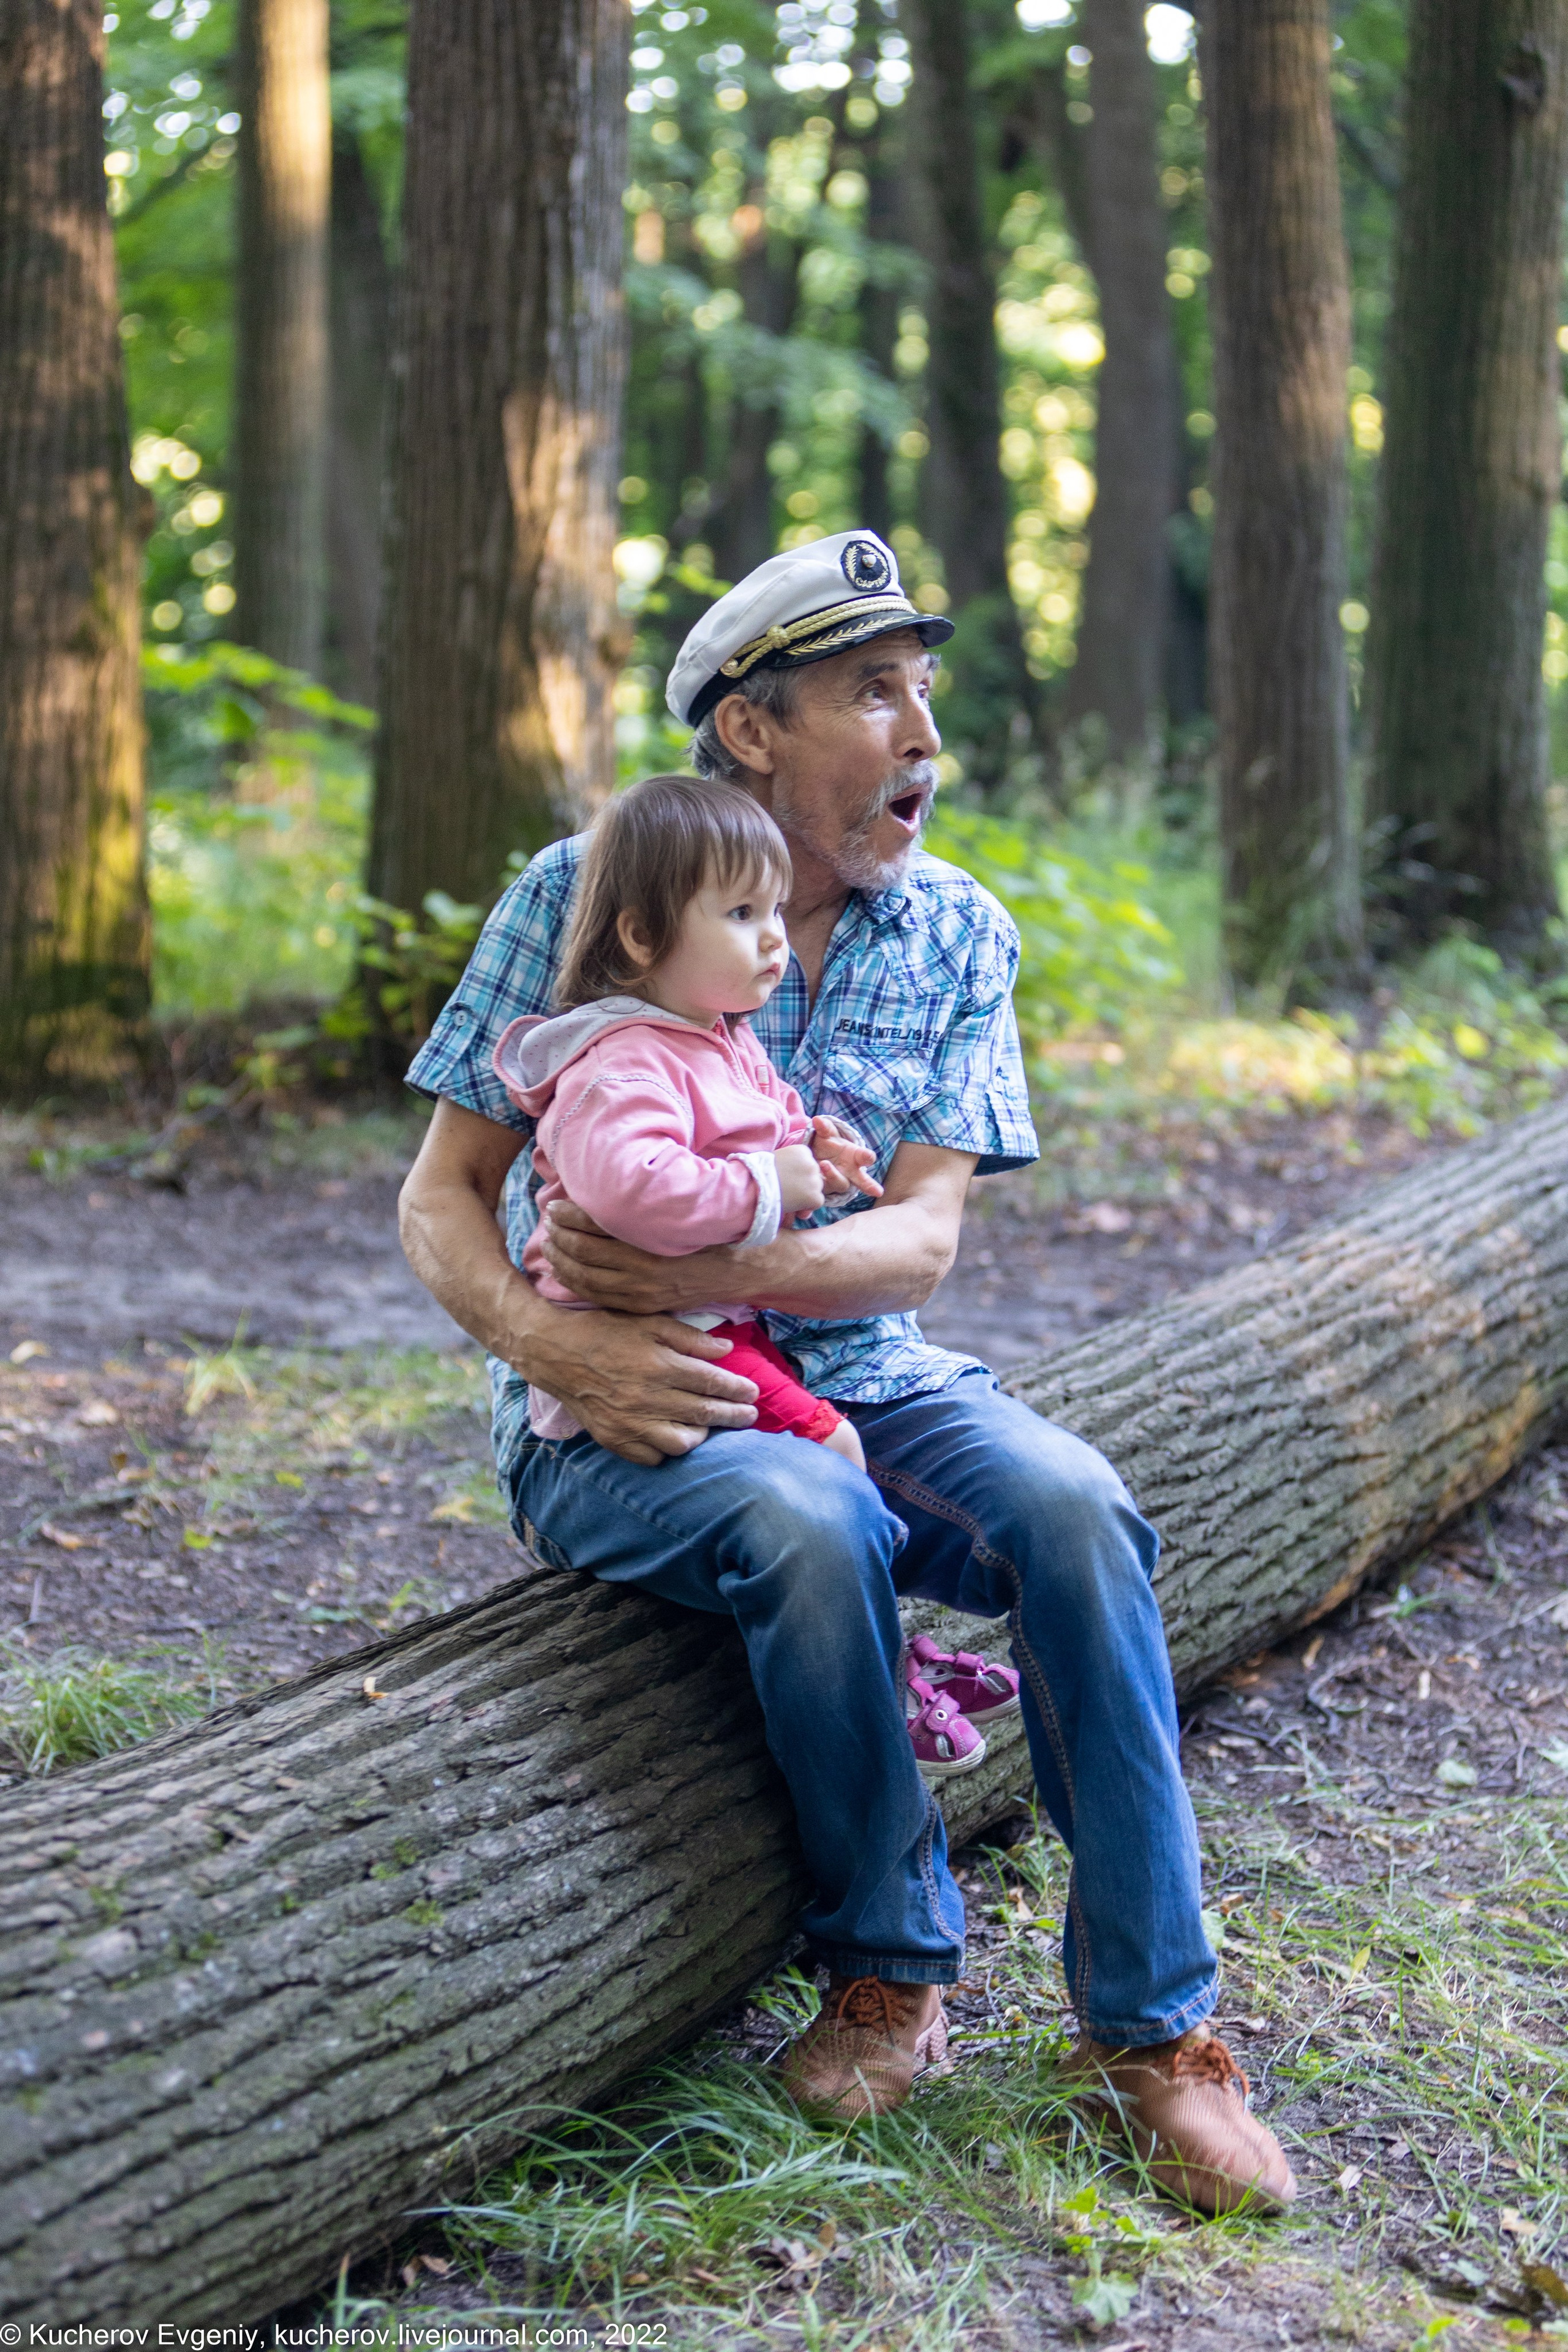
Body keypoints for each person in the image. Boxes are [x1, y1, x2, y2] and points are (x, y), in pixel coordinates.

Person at [398, 527, 1296, 2214]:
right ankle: (893, 1970)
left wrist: (700, 1256)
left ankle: (1153, 2035)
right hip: (624, 1398)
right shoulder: (582, 888)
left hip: (870, 1373)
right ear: (751, 729)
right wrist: (549, 1334)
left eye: (928, 695)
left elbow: (918, 1248)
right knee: (813, 1521)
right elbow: (440, 1193)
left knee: (1081, 1512)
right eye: (874, 695)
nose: (923, 738)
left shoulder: (957, 931)